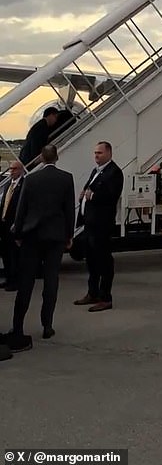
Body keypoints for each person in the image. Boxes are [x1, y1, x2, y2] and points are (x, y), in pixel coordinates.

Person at [0, 144, 75, 352]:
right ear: (57, 158)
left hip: (32, 236)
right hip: (55, 236)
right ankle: (47, 325)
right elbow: (69, 210)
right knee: (51, 281)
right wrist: (68, 235)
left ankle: (18, 326)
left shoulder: (31, 179)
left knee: (26, 282)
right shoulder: (66, 178)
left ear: (41, 158)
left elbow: (22, 209)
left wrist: (17, 235)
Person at [74, 141, 123, 312]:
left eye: (100, 153)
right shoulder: (96, 171)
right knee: (92, 261)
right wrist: (84, 196)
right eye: (95, 153)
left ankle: (105, 297)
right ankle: (92, 292)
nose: (96, 156)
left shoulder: (114, 173)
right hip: (89, 225)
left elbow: (111, 196)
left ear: (109, 153)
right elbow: (90, 189)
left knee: (104, 262)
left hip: (102, 226)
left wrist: (92, 195)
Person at [19, 105, 75, 169]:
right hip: (29, 159)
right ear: (51, 115)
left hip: (26, 157)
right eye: (55, 117)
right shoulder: (41, 127)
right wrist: (37, 159)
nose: (56, 120)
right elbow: (35, 144)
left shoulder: (41, 126)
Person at [0, 161, 26, 292]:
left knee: (14, 254)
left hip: (15, 225)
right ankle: (9, 278)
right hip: (4, 225)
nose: (12, 171)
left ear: (21, 170)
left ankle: (16, 281)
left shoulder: (24, 185)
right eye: (10, 169)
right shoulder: (8, 185)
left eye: (15, 169)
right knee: (5, 253)